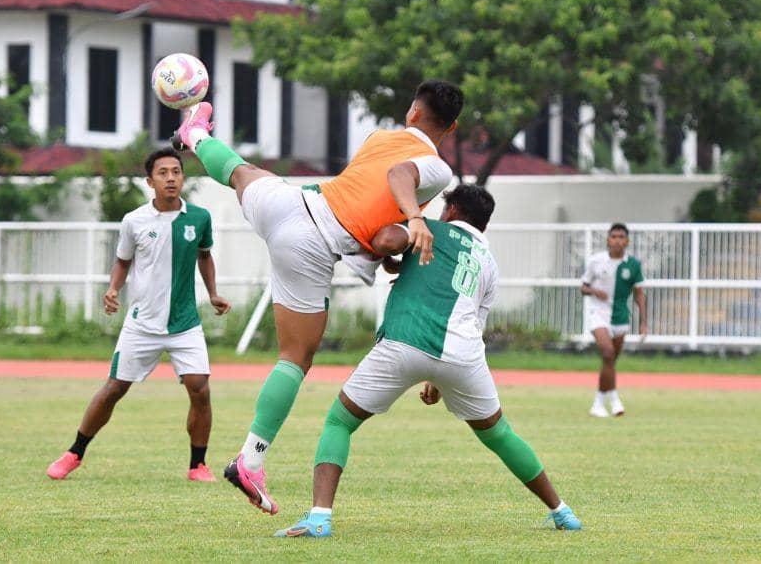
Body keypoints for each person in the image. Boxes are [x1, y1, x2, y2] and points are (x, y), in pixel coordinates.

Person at [172, 80, 463, 515]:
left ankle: (195, 134)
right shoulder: (436, 169)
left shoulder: (379, 137)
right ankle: (250, 461)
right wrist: (416, 220)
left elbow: (371, 215)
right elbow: (399, 179)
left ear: (412, 113)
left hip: (291, 202)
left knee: (243, 173)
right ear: (451, 127)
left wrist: (387, 251)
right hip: (311, 242)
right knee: (295, 358)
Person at [273, 185, 582, 538]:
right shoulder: (488, 261)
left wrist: (397, 238)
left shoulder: (428, 229)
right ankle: (562, 512)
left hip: (404, 342)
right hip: (463, 355)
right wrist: (437, 378)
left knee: (339, 422)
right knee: (500, 434)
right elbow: (473, 318)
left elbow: (386, 239)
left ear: (452, 210)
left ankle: (319, 519)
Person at [46, 148, 231, 482]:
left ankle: (197, 465)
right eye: (163, 173)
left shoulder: (199, 217)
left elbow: (204, 256)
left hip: (185, 323)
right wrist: (113, 289)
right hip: (142, 323)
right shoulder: (134, 221)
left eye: (176, 171)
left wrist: (214, 293)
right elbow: (123, 261)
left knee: (200, 388)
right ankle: (74, 452)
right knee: (114, 389)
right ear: (150, 181)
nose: (171, 178)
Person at [580, 223, 646, 418]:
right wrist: (594, 291)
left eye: (621, 237)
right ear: (608, 240)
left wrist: (643, 322)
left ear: (627, 241)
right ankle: (615, 399)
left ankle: (599, 403)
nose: (617, 240)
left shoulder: (633, 265)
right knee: (608, 353)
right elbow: (583, 287)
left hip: (620, 317)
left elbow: (639, 294)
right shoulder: (596, 261)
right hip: (598, 314)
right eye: (614, 236)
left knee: (609, 361)